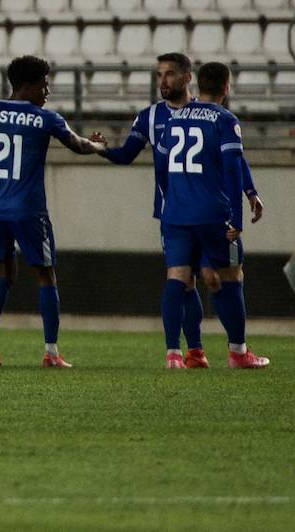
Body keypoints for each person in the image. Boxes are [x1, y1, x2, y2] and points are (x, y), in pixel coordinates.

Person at [92, 53, 263, 368]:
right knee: (192, 280)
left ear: (188, 78)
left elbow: (235, 160)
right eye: (159, 75)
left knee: (205, 277)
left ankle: (185, 352)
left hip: (182, 213)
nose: (163, 81)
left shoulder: (184, 117)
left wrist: (250, 190)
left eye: (169, 74)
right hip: (186, 209)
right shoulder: (152, 117)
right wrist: (102, 150)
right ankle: (200, 350)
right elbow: (127, 154)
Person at [0, 56, 106, 369]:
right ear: (29, 84)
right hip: (29, 210)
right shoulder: (47, 118)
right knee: (45, 275)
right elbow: (77, 145)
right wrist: (99, 146)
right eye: (44, 84)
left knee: (3, 273)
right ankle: (51, 352)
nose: (47, 91)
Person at [155, 62, 268, 368]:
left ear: (198, 84)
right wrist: (237, 219)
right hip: (213, 214)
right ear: (226, 88)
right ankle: (238, 352)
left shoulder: (175, 119)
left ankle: (174, 355)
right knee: (232, 274)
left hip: (176, 214)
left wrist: (175, 199)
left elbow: (161, 168)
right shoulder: (225, 120)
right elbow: (232, 170)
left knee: (177, 277)